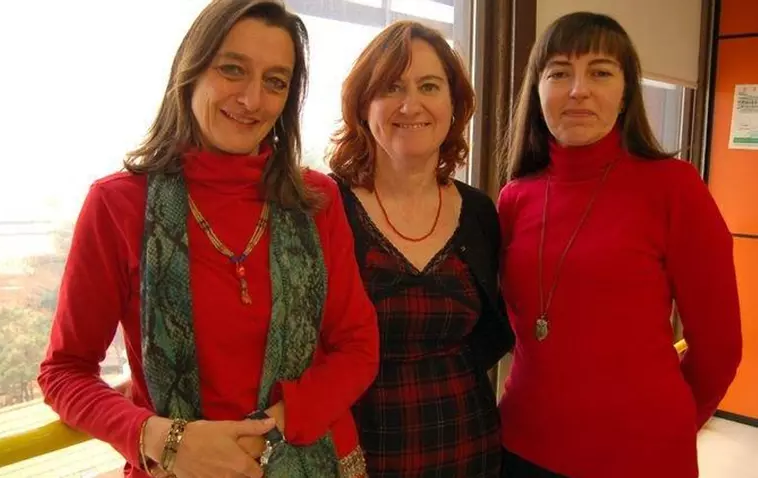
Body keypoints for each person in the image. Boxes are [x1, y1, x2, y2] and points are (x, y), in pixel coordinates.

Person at [37, 1, 379, 477]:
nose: (252, 99)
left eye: (275, 82)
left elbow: (358, 347)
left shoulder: (314, 199)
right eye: (232, 70)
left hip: (316, 460)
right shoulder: (118, 204)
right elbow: (64, 371)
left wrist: (266, 432)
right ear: (191, 71)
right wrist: (167, 440)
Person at [497, 11, 742, 478]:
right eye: (559, 73)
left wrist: (668, 424)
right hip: (524, 446)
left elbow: (720, 347)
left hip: (642, 453)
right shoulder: (515, 197)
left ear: (626, 92)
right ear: (537, 89)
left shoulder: (673, 187)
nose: (578, 90)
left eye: (600, 72)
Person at [327, 20, 515, 478]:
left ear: (454, 104)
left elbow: (495, 331)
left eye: (429, 86)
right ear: (363, 104)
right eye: (391, 87)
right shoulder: (325, 207)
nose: (411, 104)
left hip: (471, 452)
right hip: (353, 460)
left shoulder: (479, 211)